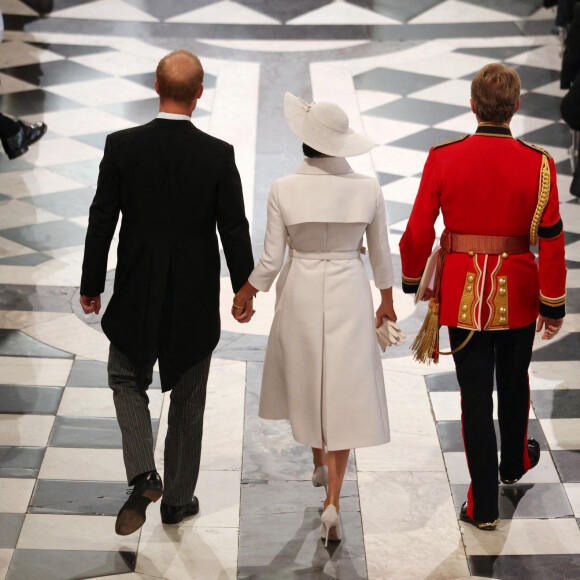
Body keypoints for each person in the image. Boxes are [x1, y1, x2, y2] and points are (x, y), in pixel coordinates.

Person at [79, 50, 254, 535]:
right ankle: (177, 500)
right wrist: (244, 287)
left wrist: (92, 284)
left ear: (156, 86)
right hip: (194, 298)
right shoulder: (218, 155)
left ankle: (143, 474)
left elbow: (102, 220)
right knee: (188, 400)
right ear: (200, 94)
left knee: (124, 379)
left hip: (137, 289)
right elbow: (233, 229)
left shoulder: (122, 146)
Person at [400, 63, 566, 530]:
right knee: (515, 383)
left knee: (475, 398)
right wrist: (552, 303)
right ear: (516, 107)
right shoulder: (540, 164)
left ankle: (483, 506)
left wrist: (415, 280)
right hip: (518, 290)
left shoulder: (443, 157)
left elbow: (417, 231)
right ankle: (513, 464)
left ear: (473, 105)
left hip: (462, 295)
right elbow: (551, 239)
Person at [233, 93, 396, 546]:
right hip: (348, 288)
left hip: (301, 289)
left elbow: (269, 261)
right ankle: (334, 503)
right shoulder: (367, 188)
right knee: (342, 392)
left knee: (309, 381)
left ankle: (318, 462)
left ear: (305, 142)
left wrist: (246, 293)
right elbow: (382, 255)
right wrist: (386, 302)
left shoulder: (284, 188)